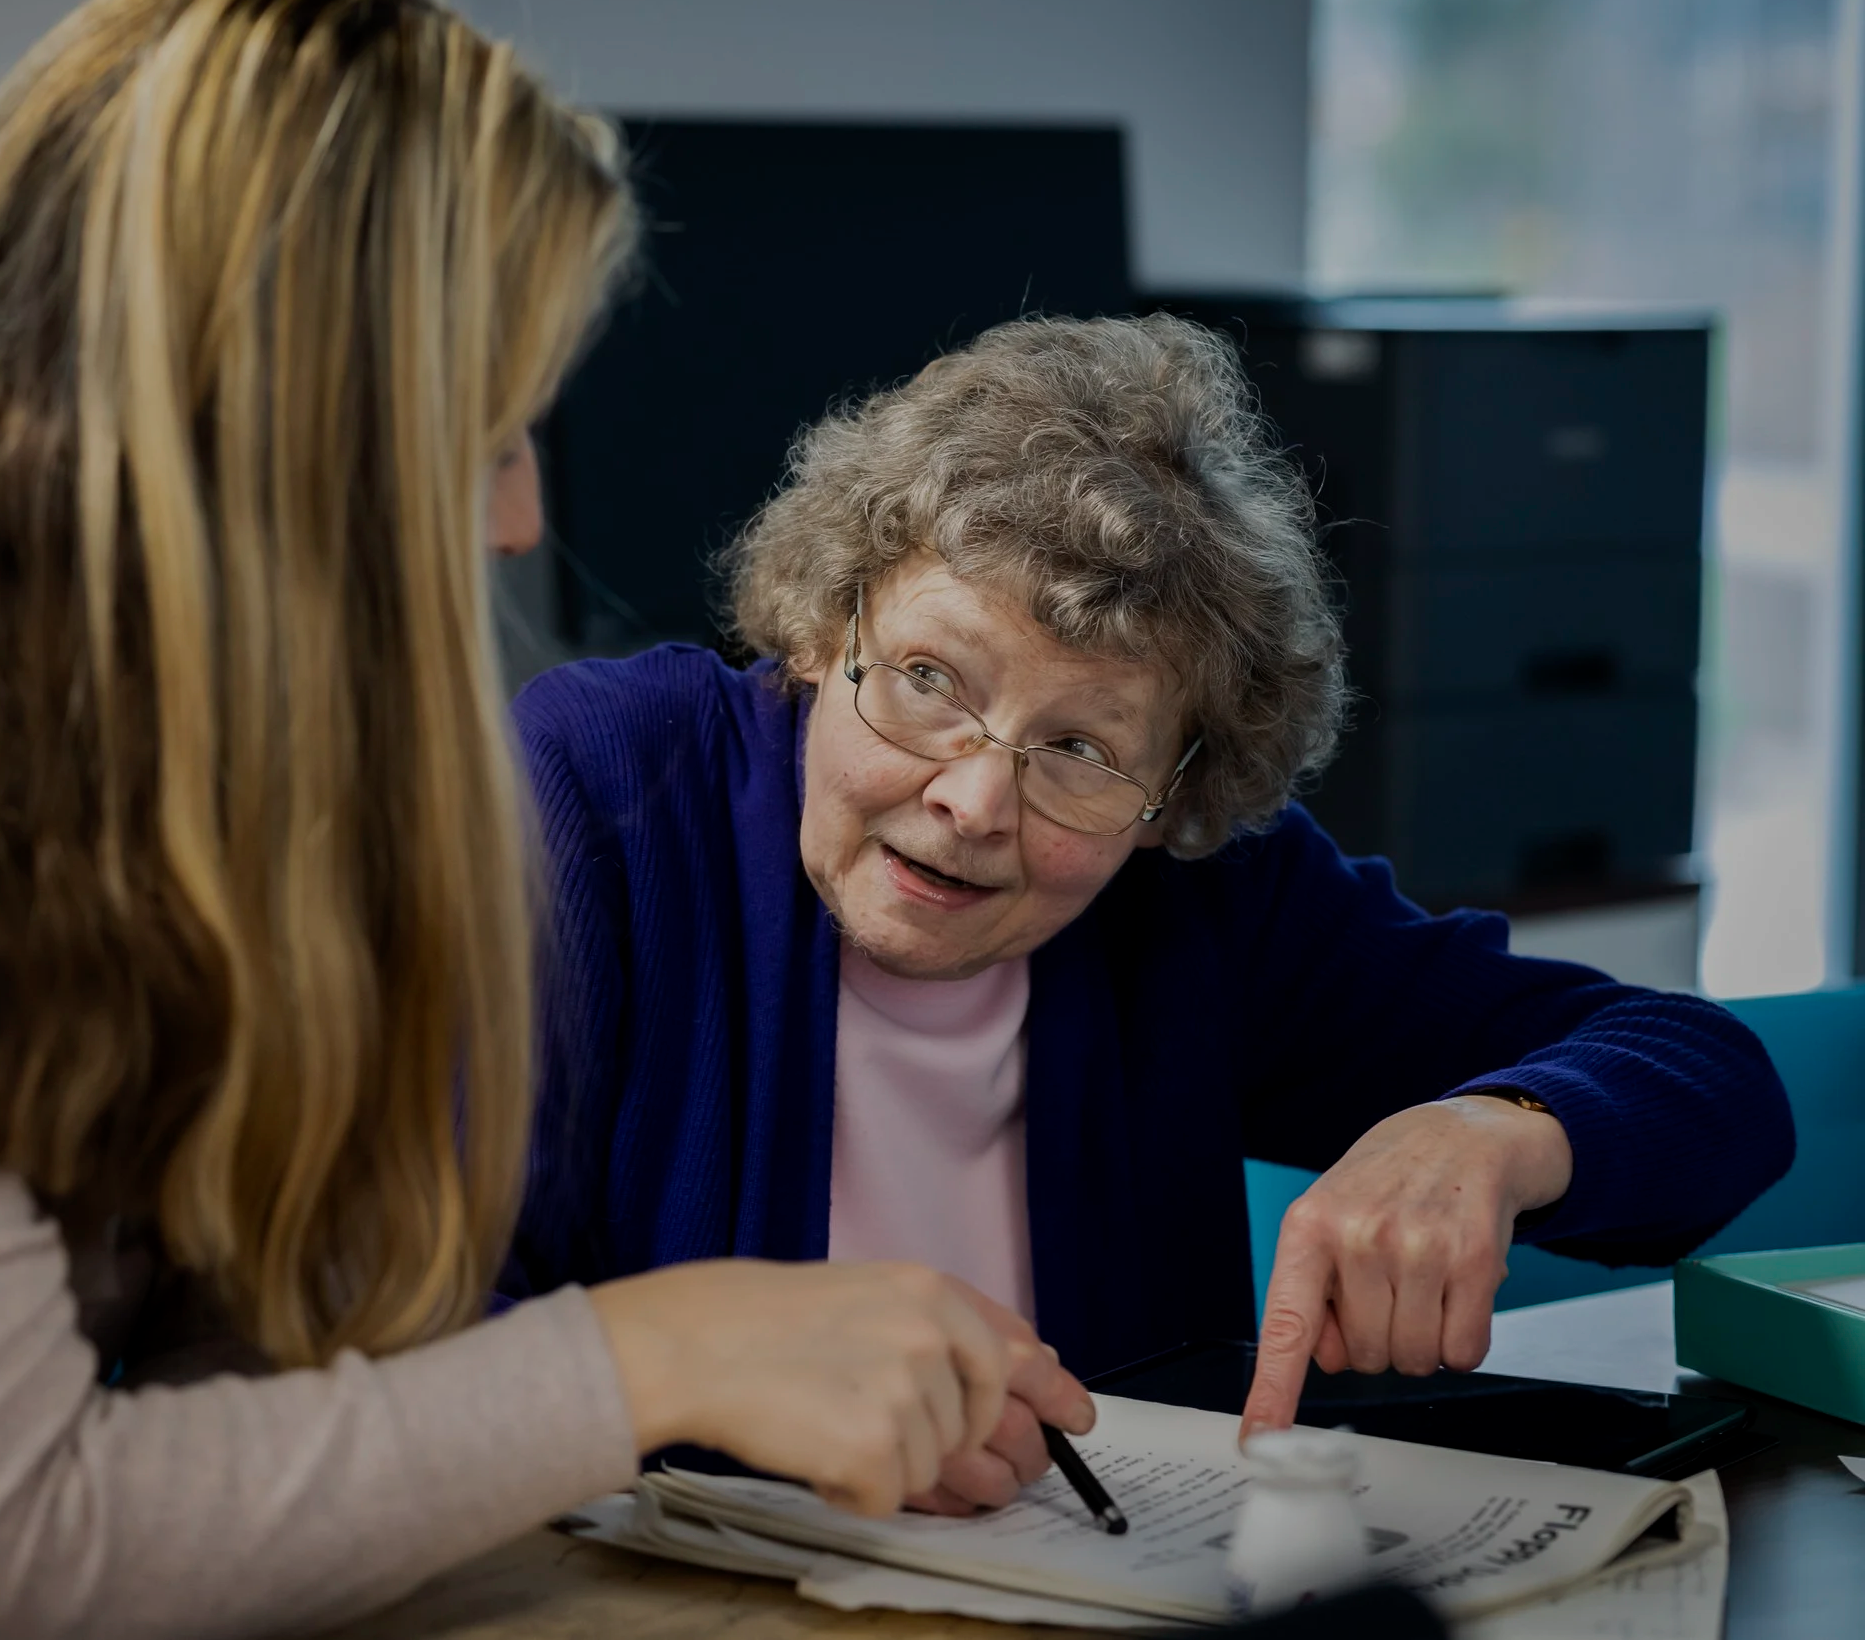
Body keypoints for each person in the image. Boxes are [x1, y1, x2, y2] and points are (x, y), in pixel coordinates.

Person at [0, 0, 1091, 1634]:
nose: (514, 519)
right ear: (298, 433)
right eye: (487, 429)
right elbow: (22, 1540)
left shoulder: (206, 782)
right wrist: (666, 1350)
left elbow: (275, 1382)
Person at [501, 312, 1793, 1446]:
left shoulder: (1201, 893)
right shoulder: (608, 792)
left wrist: (1501, 1127)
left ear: (1177, 791)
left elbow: (1708, 1077)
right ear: (815, 629)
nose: (972, 801)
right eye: (929, 680)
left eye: (1079, 749)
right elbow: (400, 1330)